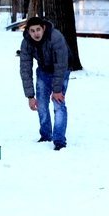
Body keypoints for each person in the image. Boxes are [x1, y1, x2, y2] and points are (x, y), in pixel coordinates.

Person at [19, 15, 72, 151]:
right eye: (32, 31)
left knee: (58, 104)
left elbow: (61, 64)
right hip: (43, 72)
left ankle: (59, 141)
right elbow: (25, 69)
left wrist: (57, 90)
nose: (36, 33)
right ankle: (45, 135)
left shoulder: (55, 37)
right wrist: (30, 96)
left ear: (43, 28)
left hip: (61, 70)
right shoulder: (26, 43)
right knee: (41, 104)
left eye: (38, 30)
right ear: (28, 32)